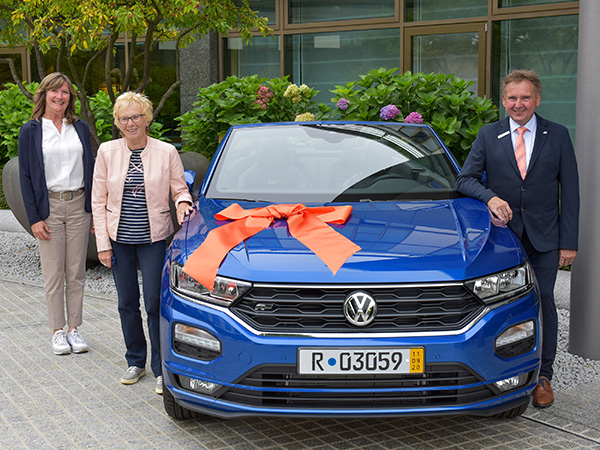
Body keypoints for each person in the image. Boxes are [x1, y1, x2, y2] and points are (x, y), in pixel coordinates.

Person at [456, 69, 580, 408]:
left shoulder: (557, 135)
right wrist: (491, 198)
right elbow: (465, 180)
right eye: (512, 98)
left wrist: (569, 242)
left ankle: (543, 376)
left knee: (542, 300)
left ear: (537, 99)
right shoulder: (487, 135)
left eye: (525, 98)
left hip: (545, 238)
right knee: (503, 306)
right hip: (501, 240)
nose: (518, 104)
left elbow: (570, 191)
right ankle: (503, 372)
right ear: (504, 99)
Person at [91, 92, 193, 395]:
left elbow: (179, 188)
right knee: (126, 303)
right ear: (118, 123)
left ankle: (161, 369)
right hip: (118, 239)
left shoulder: (166, 152)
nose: (131, 123)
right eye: (124, 118)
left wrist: (183, 203)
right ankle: (135, 360)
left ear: (147, 118)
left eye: (136, 116)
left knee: (154, 302)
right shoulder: (107, 152)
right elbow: (98, 201)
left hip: (153, 238)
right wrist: (102, 244)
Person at [18, 72, 94, 355]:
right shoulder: (31, 130)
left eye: (65, 92)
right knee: (53, 274)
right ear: (44, 94)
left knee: (75, 272)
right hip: (48, 207)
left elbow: (91, 167)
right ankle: (57, 331)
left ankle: (75, 328)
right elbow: (25, 177)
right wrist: (34, 218)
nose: (60, 97)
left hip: (78, 204)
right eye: (55, 91)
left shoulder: (81, 127)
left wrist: (94, 209)